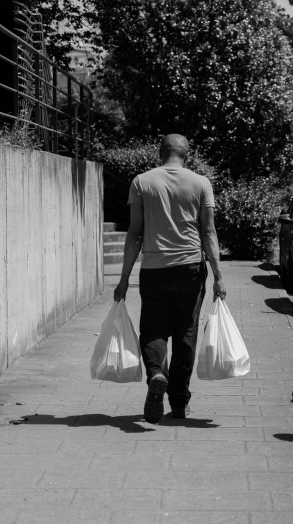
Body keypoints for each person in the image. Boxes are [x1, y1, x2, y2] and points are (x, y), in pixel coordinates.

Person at [113, 134, 226, 424]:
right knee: (185, 332)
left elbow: (134, 232)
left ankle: (156, 374)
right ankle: (178, 403)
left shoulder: (142, 181)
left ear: (160, 152)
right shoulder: (201, 184)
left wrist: (123, 278)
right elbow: (209, 232)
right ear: (188, 154)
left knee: (153, 328)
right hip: (190, 267)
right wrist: (218, 276)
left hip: (154, 267)